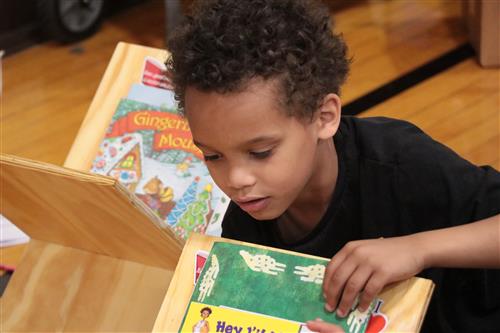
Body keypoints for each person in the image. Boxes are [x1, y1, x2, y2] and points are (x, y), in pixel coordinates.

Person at [166, 0, 500, 332]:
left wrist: (419, 248)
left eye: (261, 152)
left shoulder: (398, 161)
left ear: (324, 117)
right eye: (213, 156)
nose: (236, 179)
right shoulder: (246, 230)